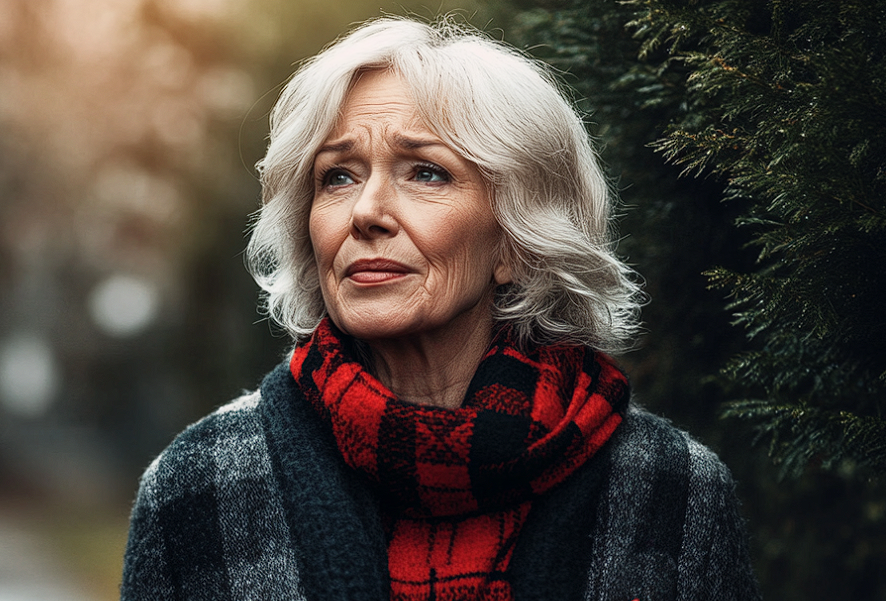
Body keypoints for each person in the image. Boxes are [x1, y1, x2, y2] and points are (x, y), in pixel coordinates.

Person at [120, 16, 760, 601]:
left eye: (425, 172)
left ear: (513, 238)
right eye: (337, 176)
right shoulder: (197, 485)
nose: (366, 212)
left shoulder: (673, 491)